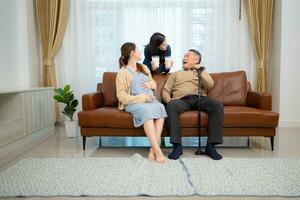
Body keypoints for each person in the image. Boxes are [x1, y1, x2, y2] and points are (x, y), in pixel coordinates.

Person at [162, 49, 224, 160]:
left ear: (196, 60)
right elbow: (165, 90)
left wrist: (200, 72)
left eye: (187, 55)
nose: (183, 58)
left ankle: (211, 146)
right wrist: (169, 100)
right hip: (181, 100)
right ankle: (177, 147)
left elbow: (210, 85)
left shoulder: (202, 72)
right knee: (171, 106)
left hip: (200, 98)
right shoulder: (176, 74)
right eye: (184, 56)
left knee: (217, 105)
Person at [116, 42, 168, 163]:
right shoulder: (122, 73)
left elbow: (153, 84)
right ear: (132, 53)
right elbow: (122, 97)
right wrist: (142, 98)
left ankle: (152, 149)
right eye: (138, 50)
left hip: (150, 100)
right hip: (134, 103)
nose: (140, 52)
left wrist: (151, 84)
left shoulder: (143, 68)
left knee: (161, 108)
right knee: (147, 112)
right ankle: (158, 150)